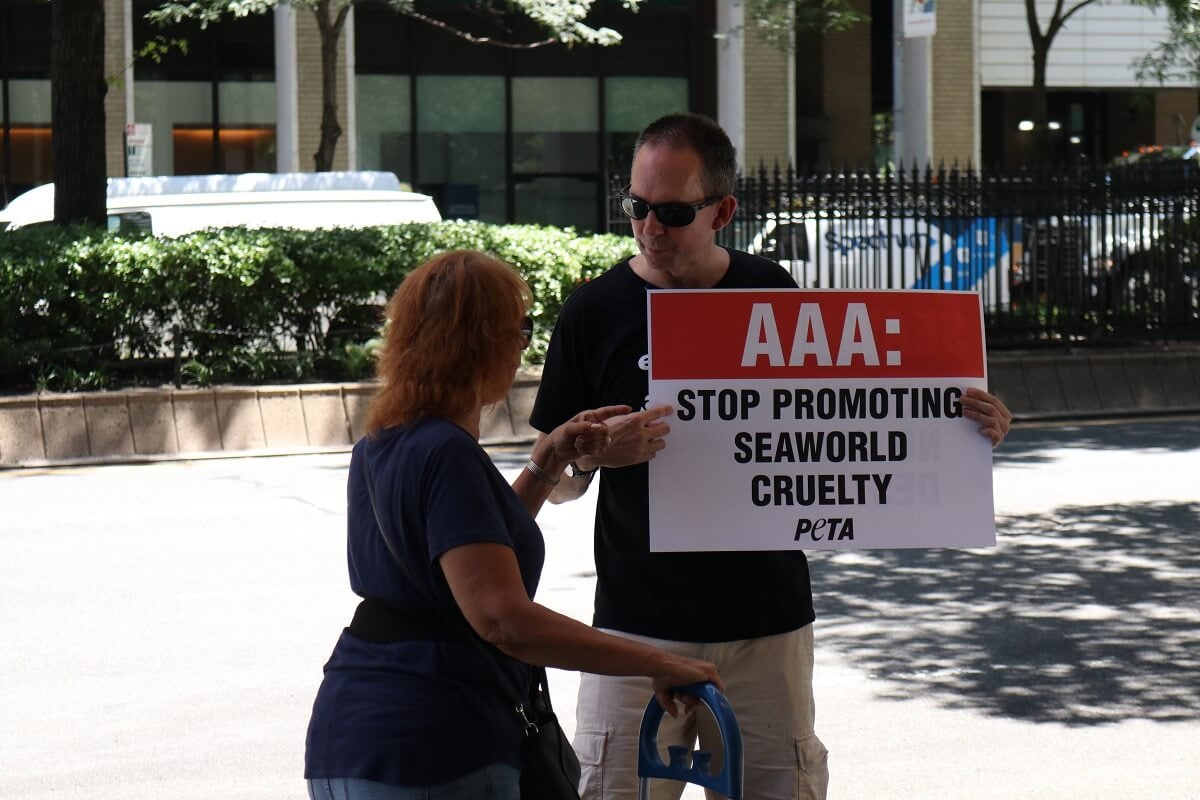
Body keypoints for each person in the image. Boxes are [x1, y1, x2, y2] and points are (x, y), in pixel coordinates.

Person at [529, 112, 1014, 800]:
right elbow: (555, 485)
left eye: (671, 210)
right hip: (635, 629)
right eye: (636, 206)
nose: (649, 227)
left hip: (766, 626)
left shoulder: (772, 290)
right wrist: (592, 455)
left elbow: (851, 423)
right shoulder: (594, 311)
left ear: (723, 210)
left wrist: (965, 427)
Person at [304, 249, 722, 800]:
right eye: (519, 330)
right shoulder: (447, 452)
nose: (523, 346)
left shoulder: (384, 442)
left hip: (350, 736)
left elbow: (471, 549)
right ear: (484, 342)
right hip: (435, 744)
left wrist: (548, 460)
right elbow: (504, 619)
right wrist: (660, 663)